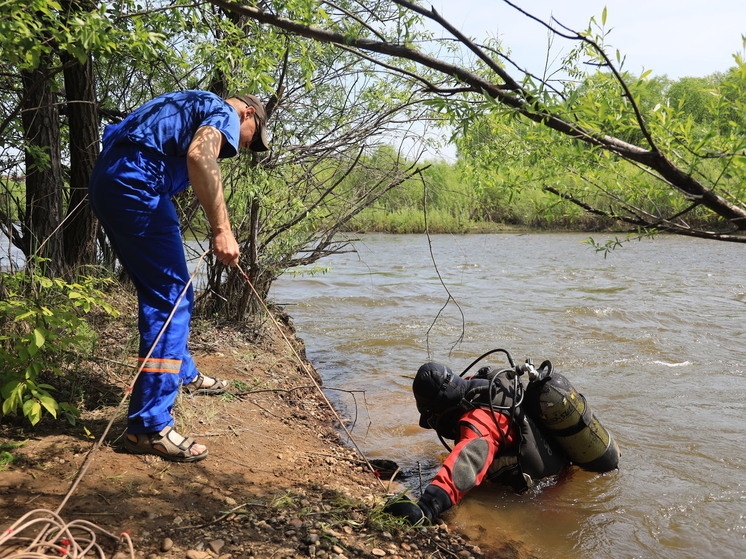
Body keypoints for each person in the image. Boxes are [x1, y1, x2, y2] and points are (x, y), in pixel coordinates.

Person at [88, 90, 269, 462]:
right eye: (253, 138)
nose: (245, 146)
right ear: (247, 114)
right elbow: (200, 157)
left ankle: (183, 373)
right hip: (137, 188)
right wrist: (222, 229)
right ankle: (148, 427)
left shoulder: (186, 103)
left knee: (162, 293)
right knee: (172, 301)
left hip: (112, 183)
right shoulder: (220, 110)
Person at [384, 361, 569, 524]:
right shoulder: (476, 387)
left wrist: (427, 507)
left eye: (432, 416)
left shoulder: (479, 423)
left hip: (547, 487)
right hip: (554, 459)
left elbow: (466, 465)